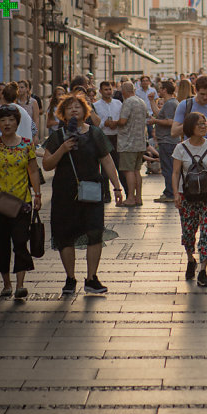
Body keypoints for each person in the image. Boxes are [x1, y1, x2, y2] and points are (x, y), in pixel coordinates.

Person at [43, 92, 123, 295]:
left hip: (92, 191)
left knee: (94, 233)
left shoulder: (95, 133)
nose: (74, 110)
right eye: (69, 107)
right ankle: (70, 278)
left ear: (85, 111)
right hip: (64, 193)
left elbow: (107, 160)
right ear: (63, 113)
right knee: (65, 236)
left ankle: (91, 278)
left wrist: (117, 186)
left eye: (78, 106)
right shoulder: (57, 136)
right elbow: (46, 165)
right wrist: (62, 149)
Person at [0, 104, 41, 300]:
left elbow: (33, 170)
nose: (7, 123)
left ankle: (20, 284)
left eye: (11, 120)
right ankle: (6, 284)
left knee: (20, 241)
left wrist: (37, 194)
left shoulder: (26, 144)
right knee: (0, 243)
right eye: (3, 120)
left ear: (17, 123)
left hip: (22, 201)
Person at [172, 111, 207, 287]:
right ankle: (190, 259)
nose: (204, 127)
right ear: (190, 127)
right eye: (200, 124)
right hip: (187, 196)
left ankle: (203, 270)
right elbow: (176, 173)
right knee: (188, 232)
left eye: (205, 124)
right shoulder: (181, 148)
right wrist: (175, 194)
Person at [114, 81, 149, 206]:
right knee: (136, 171)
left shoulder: (128, 102)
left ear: (124, 91)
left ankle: (130, 198)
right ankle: (138, 198)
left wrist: (112, 123)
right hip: (140, 142)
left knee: (128, 171)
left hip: (128, 142)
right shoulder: (142, 101)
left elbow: (123, 121)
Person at [171, 75, 207, 145]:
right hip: (189, 150)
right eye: (202, 94)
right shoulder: (185, 105)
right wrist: (191, 122)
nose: (205, 97)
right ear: (195, 90)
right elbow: (174, 132)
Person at [94, 80, 125, 200]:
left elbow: (122, 118)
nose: (108, 92)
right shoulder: (96, 105)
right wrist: (104, 123)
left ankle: (126, 191)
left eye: (110, 89)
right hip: (103, 137)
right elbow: (96, 122)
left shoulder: (118, 103)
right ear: (101, 91)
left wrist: (116, 123)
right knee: (104, 168)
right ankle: (105, 194)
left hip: (116, 136)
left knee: (119, 166)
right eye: (105, 90)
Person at [152, 80, 178, 202]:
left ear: (165, 90)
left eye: (161, 88)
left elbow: (170, 121)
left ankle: (170, 193)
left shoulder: (170, 104)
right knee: (169, 167)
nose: (159, 90)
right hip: (168, 140)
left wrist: (155, 121)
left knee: (168, 168)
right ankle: (169, 191)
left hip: (168, 140)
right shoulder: (169, 103)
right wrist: (152, 101)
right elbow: (159, 114)